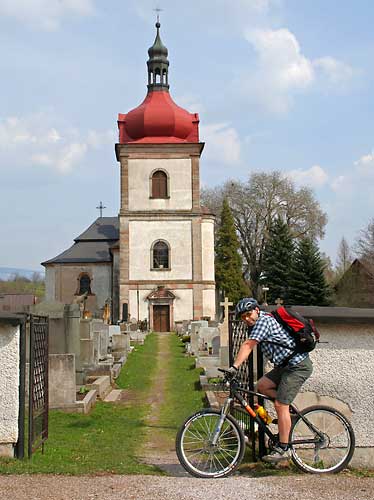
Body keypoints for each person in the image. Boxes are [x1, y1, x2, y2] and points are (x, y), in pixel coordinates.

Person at [227, 297, 313, 463]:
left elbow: (247, 346)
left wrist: (234, 367)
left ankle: (284, 448)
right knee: (262, 385)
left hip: (298, 366)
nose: (246, 318)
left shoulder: (263, 322)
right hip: (284, 366)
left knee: (281, 404)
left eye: (248, 314)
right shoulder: (256, 323)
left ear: (257, 310)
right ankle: (288, 414)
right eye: (243, 316)